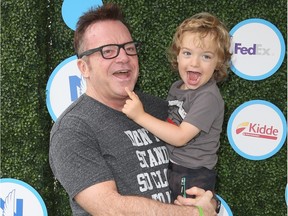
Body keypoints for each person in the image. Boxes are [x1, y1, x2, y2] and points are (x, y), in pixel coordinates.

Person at [49, 3, 217, 216]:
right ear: (84, 68)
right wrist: (195, 214)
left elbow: (194, 169)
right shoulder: (72, 130)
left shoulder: (159, 108)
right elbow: (112, 209)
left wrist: (210, 203)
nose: (123, 57)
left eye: (129, 48)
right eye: (107, 51)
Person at [122, 12, 231, 205]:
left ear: (218, 63)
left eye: (206, 56)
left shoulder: (208, 97)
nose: (194, 63)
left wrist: (140, 116)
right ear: (177, 55)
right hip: (173, 166)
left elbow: (180, 137)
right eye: (187, 53)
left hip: (193, 174)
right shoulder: (177, 87)